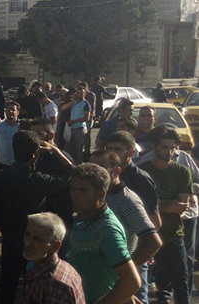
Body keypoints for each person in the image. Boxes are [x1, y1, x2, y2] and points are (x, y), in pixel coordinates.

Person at [0, 131, 74, 304]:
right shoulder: (38, 180)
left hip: (11, 238)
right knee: (35, 284)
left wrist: (6, 230)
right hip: (35, 238)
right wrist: (56, 151)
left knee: (7, 285)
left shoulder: (0, 177)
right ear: (34, 155)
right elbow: (70, 175)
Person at [89, 150, 162, 303]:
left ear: (116, 171)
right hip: (101, 280)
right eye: (91, 168)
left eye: (100, 168)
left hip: (121, 282)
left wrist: (128, 269)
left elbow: (153, 241)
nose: (93, 174)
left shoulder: (126, 200)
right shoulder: (99, 196)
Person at [68, 163, 141, 303]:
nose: (74, 195)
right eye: (73, 189)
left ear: (101, 195)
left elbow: (132, 282)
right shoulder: (82, 216)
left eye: (82, 190)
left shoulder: (107, 230)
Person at [139, 125, 194, 304]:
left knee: (182, 281)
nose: (169, 151)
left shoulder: (182, 172)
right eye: (164, 147)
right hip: (146, 235)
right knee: (145, 284)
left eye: (173, 147)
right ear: (154, 146)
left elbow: (182, 205)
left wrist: (158, 206)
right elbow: (140, 206)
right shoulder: (142, 171)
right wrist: (168, 206)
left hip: (173, 234)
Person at [22, 212, 85, 304]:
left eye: (37, 240)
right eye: (27, 235)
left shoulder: (53, 285)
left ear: (55, 246)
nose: (28, 243)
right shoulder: (41, 269)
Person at [62, 87, 91, 164]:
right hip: (71, 128)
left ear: (84, 94)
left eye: (81, 93)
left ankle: (79, 163)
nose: (79, 95)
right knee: (70, 148)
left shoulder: (85, 104)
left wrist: (74, 121)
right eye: (78, 93)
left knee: (79, 148)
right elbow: (63, 108)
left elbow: (86, 118)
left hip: (80, 128)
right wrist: (72, 101)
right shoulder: (74, 103)